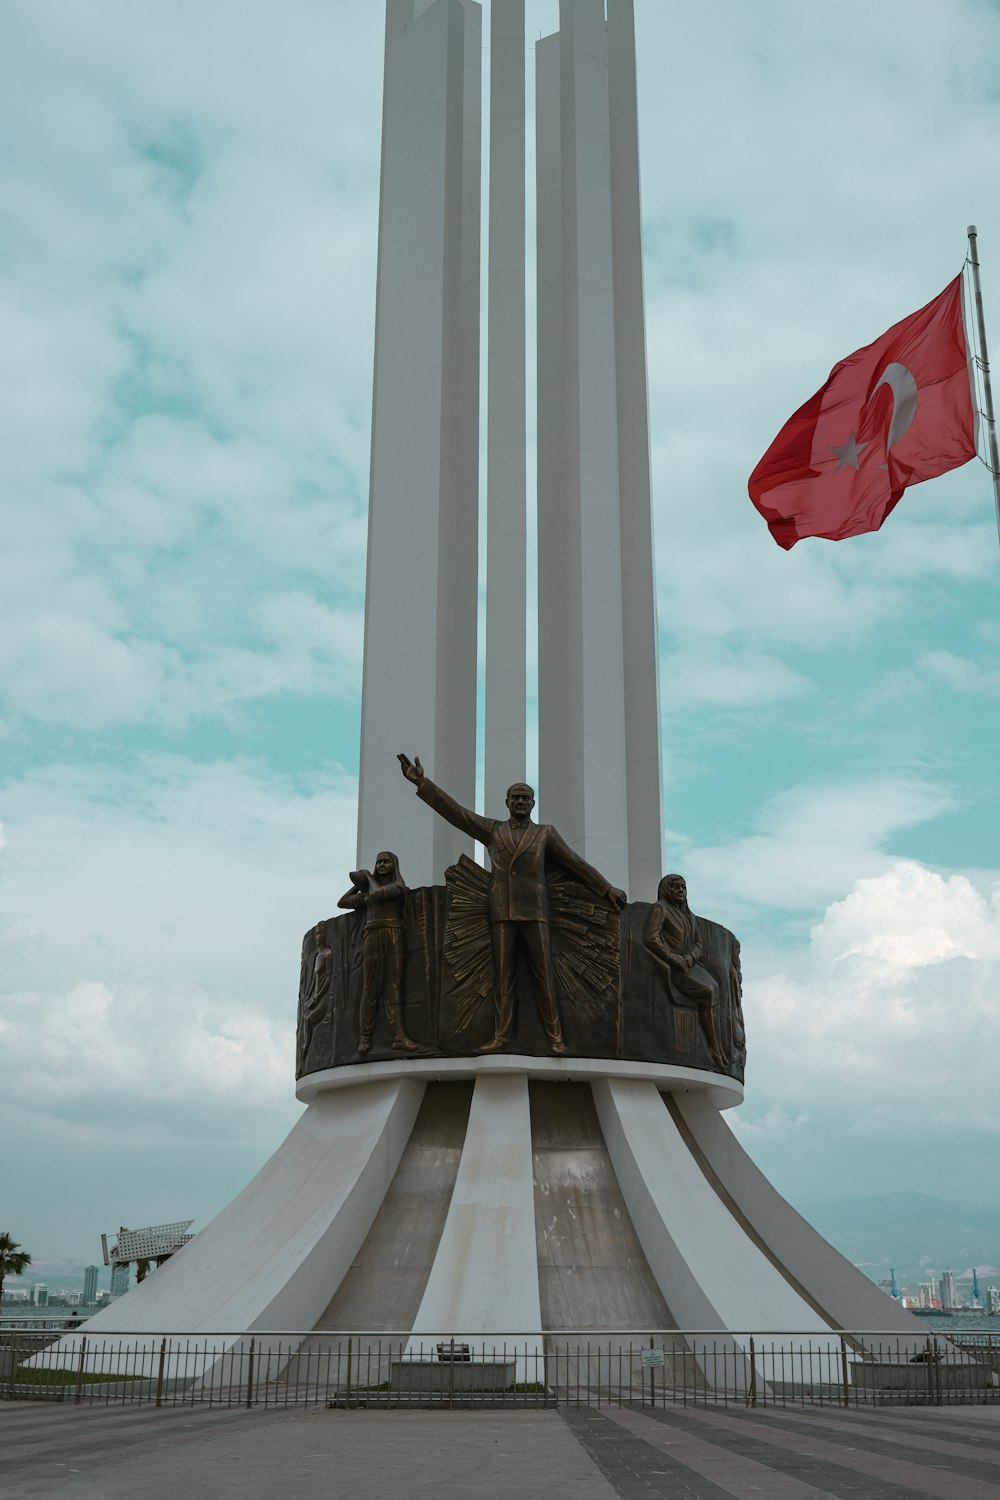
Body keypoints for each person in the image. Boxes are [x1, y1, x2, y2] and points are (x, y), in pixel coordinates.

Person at [398, 754, 626, 1054]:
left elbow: (575, 864)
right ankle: (502, 1036)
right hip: (502, 911)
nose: (521, 802)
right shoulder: (493, 831)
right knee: (503, 977)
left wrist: (605, 887)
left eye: (526, 798)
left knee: (544, 976)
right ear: (507, 802)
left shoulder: (545, 834)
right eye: (515, 797)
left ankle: (555, 1037)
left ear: (533, 804)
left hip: (536, 912)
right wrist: (423, 784)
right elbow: (457, 814)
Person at [643, 873, 726, 1071]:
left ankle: (716, 1047)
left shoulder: (689, 915)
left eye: (683, 887)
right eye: (676, 887)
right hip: (673, 968)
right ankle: (714, 1048)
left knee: (715, 987)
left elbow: (698, 943)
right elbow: (650, 938)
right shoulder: (660, 909)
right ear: (667, 890)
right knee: (708, 991)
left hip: (690, 965)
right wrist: (673, 957)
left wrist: (691, 957)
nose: (681, 890)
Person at [338, 851, 418, 1054]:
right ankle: (365, 1037)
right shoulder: (368, 892)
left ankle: (399, 1036)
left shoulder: (398, 887)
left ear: (394, 865)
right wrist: (359, 883)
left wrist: (368, 878)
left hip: (393, 933)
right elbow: (342, 902)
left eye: (386, 861)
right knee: (370, 988)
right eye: (378, 862)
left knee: (394, 986)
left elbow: (376, 894)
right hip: (372, 935)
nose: (382, 865)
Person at [298, 920, 333, 1070]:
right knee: (305, 1017)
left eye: (319, 933)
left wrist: (318, 997)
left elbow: (329, 978)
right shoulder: (316, 955)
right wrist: (310, 998)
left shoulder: (328, 954)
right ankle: (305, 1056)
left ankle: (304, 1055)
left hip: (324, 998)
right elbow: (314, 981)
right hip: (316, 997)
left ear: (325, 935)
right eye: (316, 934)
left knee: (308, 1019)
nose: (316, 936)